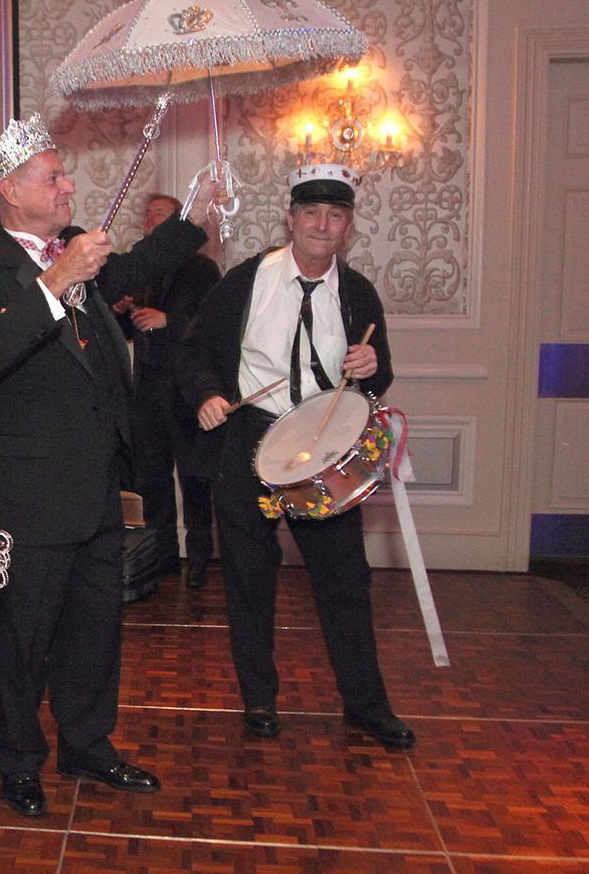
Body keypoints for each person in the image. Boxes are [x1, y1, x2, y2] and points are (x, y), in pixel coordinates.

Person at [0, 113, 208, 819]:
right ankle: (19, 759)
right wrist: (53, 281)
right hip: (31, 490)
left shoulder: (77, 254)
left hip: (98, 484)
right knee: (25, 633)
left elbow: (132, 271)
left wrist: (194, 215)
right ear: (9, 190)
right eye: (53, 177)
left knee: (97, 627)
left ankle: (89, 743)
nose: (69, 186)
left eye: (65, 174)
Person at [181, 162, 413, 748]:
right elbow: (194, 351)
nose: (321, 224)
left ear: (348, 227)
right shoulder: (246, 281)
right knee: (249, 578)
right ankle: (259, 699)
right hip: (251, 444)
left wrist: (371, 368)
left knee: (344, 580)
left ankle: (366, 705)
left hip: (325, 449)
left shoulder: (358, 294)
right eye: (311, 213)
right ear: (290, 219)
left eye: (335, 216)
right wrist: (208, 394)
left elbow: (377, 372)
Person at [123, 193, 222, 589]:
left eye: (158, 215)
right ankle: (161, 554)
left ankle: (199, 557)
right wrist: (122, 312)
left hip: (187, 390)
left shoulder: (203, 268)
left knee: (194, 478)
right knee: (152, 478)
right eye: (146, 215)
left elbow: (211, 326)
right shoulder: (143, 270)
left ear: (177, 222)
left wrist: (168, 319)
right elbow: (134, 330)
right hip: (147, 388)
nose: (149, 221)